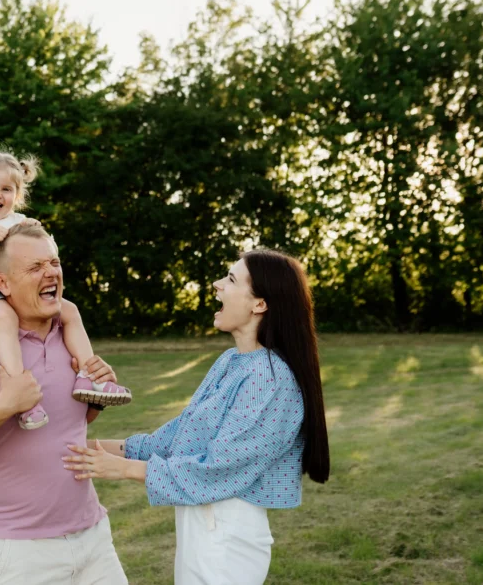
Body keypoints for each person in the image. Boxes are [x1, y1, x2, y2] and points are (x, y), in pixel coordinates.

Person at [62, 250, 330, 585]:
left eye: (231, 280)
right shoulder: (232, 361)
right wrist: (92, 447)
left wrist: (124, 469)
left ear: (259, 304)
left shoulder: (269, 379)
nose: (218, 285)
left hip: (226, 534)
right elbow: (179, 438)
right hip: (204, 523)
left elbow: (222, 468)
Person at [0, 222, 129, 584]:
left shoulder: (71, 338)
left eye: (54, 262)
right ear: (2, 284)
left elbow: (67, 425)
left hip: (93, 537)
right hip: (18, 552)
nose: (51, 273)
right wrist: (4, 405)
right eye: (35, 267)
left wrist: (96, 396)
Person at [0, 147, 131, 430]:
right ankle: (23, 396)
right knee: (6, 318)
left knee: (69, 310)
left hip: (20, 296)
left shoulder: (19, 222)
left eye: (6, 189)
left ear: (16, 195)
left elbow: (46, 253)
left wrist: (36, 231)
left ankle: (88, 375)